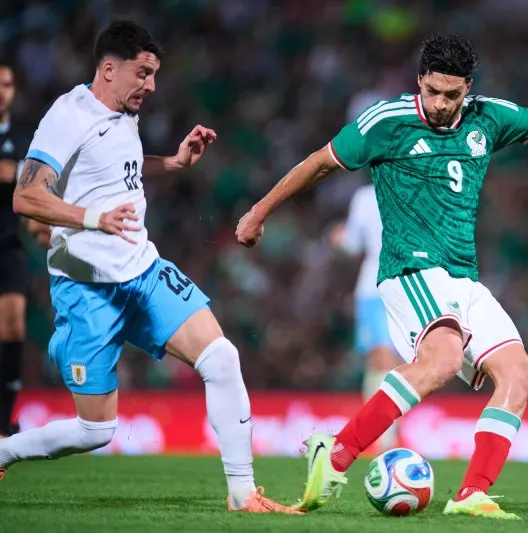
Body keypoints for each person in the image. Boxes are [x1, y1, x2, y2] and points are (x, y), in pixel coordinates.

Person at [236, 33, 528, 520]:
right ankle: (334, 452)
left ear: (468, 88)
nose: (441, 104)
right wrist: (257, 212)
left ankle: (471, 495)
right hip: (411, 269)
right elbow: (319, 163)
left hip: (464, 278)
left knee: (520, 375)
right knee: (440, 362)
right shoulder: (386, 121)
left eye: (452, 94)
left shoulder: (490, 116)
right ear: (420, 80)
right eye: (433, 91)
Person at [0, 21, 301, 515]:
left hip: (142, 271)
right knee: (95, 430)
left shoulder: (122, 113)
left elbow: (117, 165)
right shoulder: (68, 114)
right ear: (109, 69)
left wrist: (175, 163)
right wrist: (93, 219)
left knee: (222, 359)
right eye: (143, 73)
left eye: (155, 74)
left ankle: (243, 494)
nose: (152, 85)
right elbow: (26, 195)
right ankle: (6, 450)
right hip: (86, 288)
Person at [329, 183, 403, 452]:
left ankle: (382, 436)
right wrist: (342, 239)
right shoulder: (365, 195)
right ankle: (382, 439)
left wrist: (340, 239)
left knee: (393, 362)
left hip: (406, 286)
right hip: (373, 286)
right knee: (380, 360)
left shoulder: (412, 185)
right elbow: (353, 244)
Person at [0, 59, 50, 438]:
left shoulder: (22, 136)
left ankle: (4, 421)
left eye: (8, 84)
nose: (3, 91)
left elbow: (29, 192)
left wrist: (40, 227)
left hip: (7, 243)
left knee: (14, 324)